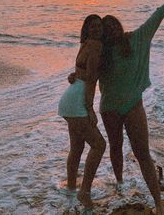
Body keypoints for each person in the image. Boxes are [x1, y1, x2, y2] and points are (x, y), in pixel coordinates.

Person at [99, 0, 164, 215]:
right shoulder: (101, 52)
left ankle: (158, 204)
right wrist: (74, 76)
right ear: (104, 33)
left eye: (114, 25)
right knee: (115, 147)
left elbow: (154, 20)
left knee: (142, 154)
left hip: (132, 104)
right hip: (109, 108)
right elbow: (86, 72)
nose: (112, 29)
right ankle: (120, 186)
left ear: (119, 26)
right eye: (108, 28)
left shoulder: (137, 38)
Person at [58, 14, 106, 210]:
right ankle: (84, 192)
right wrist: (90, 109)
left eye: (98, 26)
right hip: (77, 103)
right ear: (86, 29)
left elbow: (80, 72)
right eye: (91, 26)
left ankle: (70, 189)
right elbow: (91, 81)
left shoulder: (85, 44)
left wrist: (74, 75)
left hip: (68, 100)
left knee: (77, 149)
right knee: (99, 145)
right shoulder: (95, 46)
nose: (95, 29)